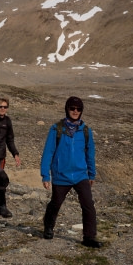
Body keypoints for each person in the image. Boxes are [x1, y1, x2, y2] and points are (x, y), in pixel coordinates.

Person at [40, 96, 103, 248]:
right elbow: (48, 152)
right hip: (61, 175)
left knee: (88, 204)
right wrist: (45, 175)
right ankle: (48, 226)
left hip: (81, 175)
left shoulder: (85, 131)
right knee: (55, 203)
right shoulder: (57, 129)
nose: (75, 111)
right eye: (72, 108)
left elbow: (90, 153)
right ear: (67, 109)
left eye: (78, 109)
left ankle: (89, 237)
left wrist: (91, 173)